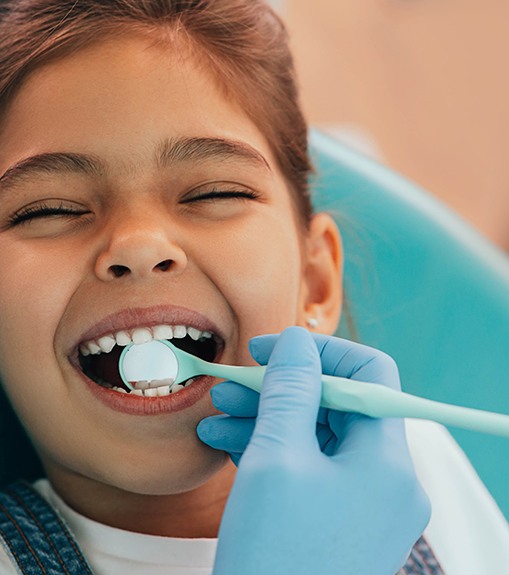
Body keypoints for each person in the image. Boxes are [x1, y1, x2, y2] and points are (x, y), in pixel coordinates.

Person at [0, 1, 505, 574]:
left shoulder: (413, 472)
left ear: (315, 281)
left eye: (213, 194)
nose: (140, 245)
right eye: (50, 209)